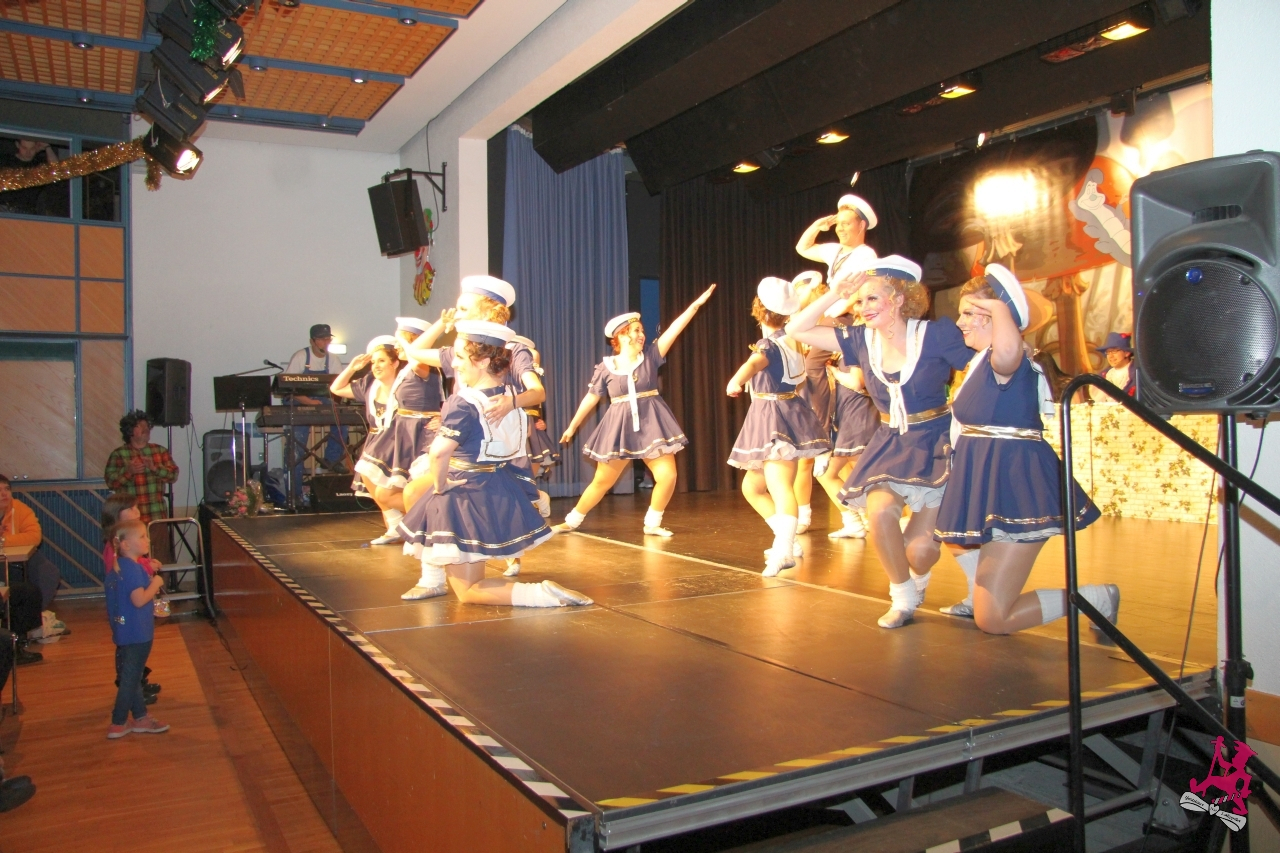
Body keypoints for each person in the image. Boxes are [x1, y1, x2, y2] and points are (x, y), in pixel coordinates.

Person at [787, 256, 974, 628]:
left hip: (936, 442)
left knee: (920, 552)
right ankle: (902, 597)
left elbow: (982, 360)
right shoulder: (860, 339)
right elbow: (798, 327)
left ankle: (922, 579)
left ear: (900, 298)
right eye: (859, 301)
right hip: (890, 442)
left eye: (872, 298)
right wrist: (836, 293)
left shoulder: (935, 334)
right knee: (879, 512)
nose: (862, 307)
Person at [934, 265, 1115, 634]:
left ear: (997, 316)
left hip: (1015, 488)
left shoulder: (1007, 361)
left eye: (969, 313)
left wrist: (999, 307)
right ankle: (981, 594)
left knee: (994, 619)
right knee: (957, 549)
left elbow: (1007, 349)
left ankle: (1096, 599)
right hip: (989, 481)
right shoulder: (981, 363)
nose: (960, 322)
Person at [397, 321, 592, 608]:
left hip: (465, 493)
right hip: (495, 487)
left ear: (483, 361)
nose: (455, 364)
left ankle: (542, 594)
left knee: (469, 590)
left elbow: (439, 453)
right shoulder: (511, 398)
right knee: (419, 501)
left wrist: (440, 485)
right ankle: (433, 580)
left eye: (460, 358)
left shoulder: (463, 402)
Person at [554, 285, 717, 537]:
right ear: (620, 336)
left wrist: (695, 306)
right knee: (602, 481)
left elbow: (675, 329)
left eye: (642, 330)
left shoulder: (651, 356)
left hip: (652, 422)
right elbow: (591, 397)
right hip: (619, 426)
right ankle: (571, 521)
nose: (641, 334)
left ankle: (652, 523)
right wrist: (572, 426)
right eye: (635, 331)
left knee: (668, 476)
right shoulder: (606, 367)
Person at [727, 277, 831, 576]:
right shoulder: (792, 339)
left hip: (774, 416)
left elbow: (753, 364)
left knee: (779, 484)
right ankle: (788, 541)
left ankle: (784, 549)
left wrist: (736, 381)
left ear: (758, 309)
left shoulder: (769, 344)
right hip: (782, 410)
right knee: (752, 487)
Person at [330, 337, 412, 544]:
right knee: (371, 479)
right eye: (373, 362)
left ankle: (425, 517)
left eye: (381, 361)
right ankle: (395, 526)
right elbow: (336, 389)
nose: (376, 366)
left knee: (393, 490)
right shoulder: (369, 384)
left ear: (395, 363)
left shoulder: (408, 384)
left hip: (401, 441)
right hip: (377, 440)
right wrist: (352, 368)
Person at [104, 519, 169, 739]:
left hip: (124, 631)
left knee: (132, 676)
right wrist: (156, 583)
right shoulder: (132, 569)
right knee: (131, 679)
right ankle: (118, 721)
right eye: (141, 536)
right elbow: (139, 600)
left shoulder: (120, 567)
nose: (147, 540)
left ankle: (140, 717)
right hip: (138, 632)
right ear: (125, 544)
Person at [101, 493, 161, 704]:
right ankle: (130, 690)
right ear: (117, 514)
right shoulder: (115, 548)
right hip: (127, 610)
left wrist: (147, 565)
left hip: (132, 609)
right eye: (132, 509)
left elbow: (134, 566)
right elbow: (124, 573)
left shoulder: (124, 544)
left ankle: (138, 683)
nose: (138, 512)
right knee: (129, 653)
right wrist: (151, 576)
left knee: (135, 652)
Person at [103, 411, 178, 562]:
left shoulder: (160, 451)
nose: (145, 428)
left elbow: (173, 476)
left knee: (160, 559)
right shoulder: (118, 454)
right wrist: (128, 472)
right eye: (139, 426)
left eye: (147, 425)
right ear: (129, 431)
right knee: (131, 560)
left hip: (156, 517)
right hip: (128, 521)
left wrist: (155, 468)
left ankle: (159, 579)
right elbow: (111, 482)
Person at [284, 323, 347, 500]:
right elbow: (289, 389)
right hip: (299, 401)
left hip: (322, 400)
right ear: (312, 341)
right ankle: (295, 494)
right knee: (297, 448)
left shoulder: (333, 360)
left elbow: (338, 388)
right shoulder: (300, 357)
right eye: (321, 339)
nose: (325, 342)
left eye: (328, 339)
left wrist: (332, 402)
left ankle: (331, 459)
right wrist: (309, 402)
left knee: (342, 419)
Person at [0, 474, 63, 614]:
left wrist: (3, 541)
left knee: (49, 572)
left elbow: (34, 536)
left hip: (20, 557)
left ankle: (33, 616)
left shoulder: (20, 508)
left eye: (7, 489)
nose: (4, 494)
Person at [796, 194, 880, 286]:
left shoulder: (866, 255)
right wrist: (816, 226)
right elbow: (803, 248)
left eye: (845, 224)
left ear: (861, 225)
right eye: (837, 224)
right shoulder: (835, 250)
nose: (839, 229)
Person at [1089, 332, 1138, 401]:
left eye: (1114, 351)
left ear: (1127, 353)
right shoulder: (1105, 375)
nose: (1111, 356)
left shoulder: (1137, 373)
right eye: (1108, 352)